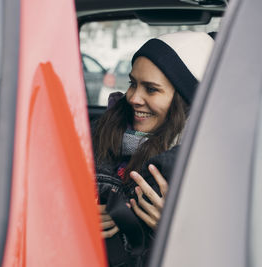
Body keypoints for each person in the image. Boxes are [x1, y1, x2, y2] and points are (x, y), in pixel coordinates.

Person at [92, 31, 214, 266]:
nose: (133, 98)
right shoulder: (99, 134)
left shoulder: (205, 167)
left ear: (184, 100)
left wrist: (176, 233)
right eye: (133, 84)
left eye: (151, 89)